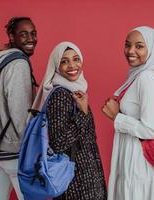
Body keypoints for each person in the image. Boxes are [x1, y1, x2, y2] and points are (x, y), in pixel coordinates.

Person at [102, 26, 154, 200]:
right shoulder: (137, 77)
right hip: (136, 161)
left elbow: (151, 129)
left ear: (152, 49)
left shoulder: (146, 77)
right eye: (127, 45)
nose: (131, 51)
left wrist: (117, 117)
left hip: (141, 163)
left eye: (139, 46)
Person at [31, 41, 107, 200]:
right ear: (56, 66)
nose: (72, 65)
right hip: (76, 182)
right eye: (64, 61)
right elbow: (58, 143)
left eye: (76, 59)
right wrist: (83, 113)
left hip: (87, 177)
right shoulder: (61, 95)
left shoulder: (75, 92)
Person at [0, 16, 37, 200]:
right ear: (12, 37)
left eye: (33, 33)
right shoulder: (18, 64)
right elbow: (20, 113)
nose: (30, 39)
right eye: (23, 34)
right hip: (15, 153)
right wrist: (31, 151)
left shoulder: (1, 63)